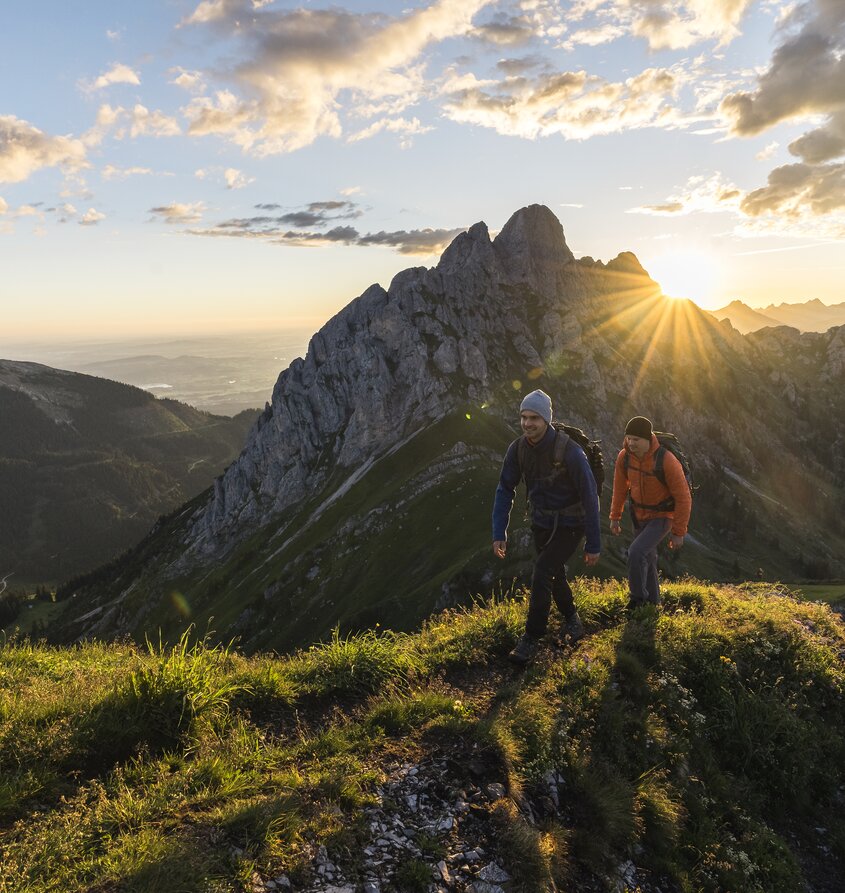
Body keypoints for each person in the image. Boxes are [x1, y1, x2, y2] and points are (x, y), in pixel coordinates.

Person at [492, 389, 601, 665]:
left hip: (571, 524)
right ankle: (573, 621)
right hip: (541, 522)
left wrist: (593, 542)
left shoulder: (571, 452)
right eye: (523, 417)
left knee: (542, 570)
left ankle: (531, 637)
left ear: (546, 420)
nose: (527, 424)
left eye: (534, 418)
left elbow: (590, 495)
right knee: (553, 575)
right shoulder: (517, 449)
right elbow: (505, 488)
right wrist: (499, 531)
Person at [609, 416, 692, 608]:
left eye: (636, 439)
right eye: (628, 438)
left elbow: (683, 497)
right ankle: (653, 603)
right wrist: (615, 517)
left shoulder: (666, 460)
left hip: (662, 517)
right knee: (648, 557)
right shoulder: (624, 457)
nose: (631, 443)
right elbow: (619, 488)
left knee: (636, 553)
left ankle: (637, 601)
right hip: (638, 516)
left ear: (648, 439)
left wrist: (679, 532)